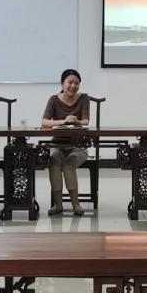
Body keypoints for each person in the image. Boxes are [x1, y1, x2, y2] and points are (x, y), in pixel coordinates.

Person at [42, 68, 90, 216]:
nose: (73, 86)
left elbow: (85, 121)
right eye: (70, 82)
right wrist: (64, 121)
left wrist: (76, 121)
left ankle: (76, 205)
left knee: (69, 165)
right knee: (54, 163)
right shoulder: (53, 99)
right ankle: (58, 205)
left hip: (79, 146)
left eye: (76, 83)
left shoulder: (84, 98)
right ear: (62, 83)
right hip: (57, 145)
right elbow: (45, 122)